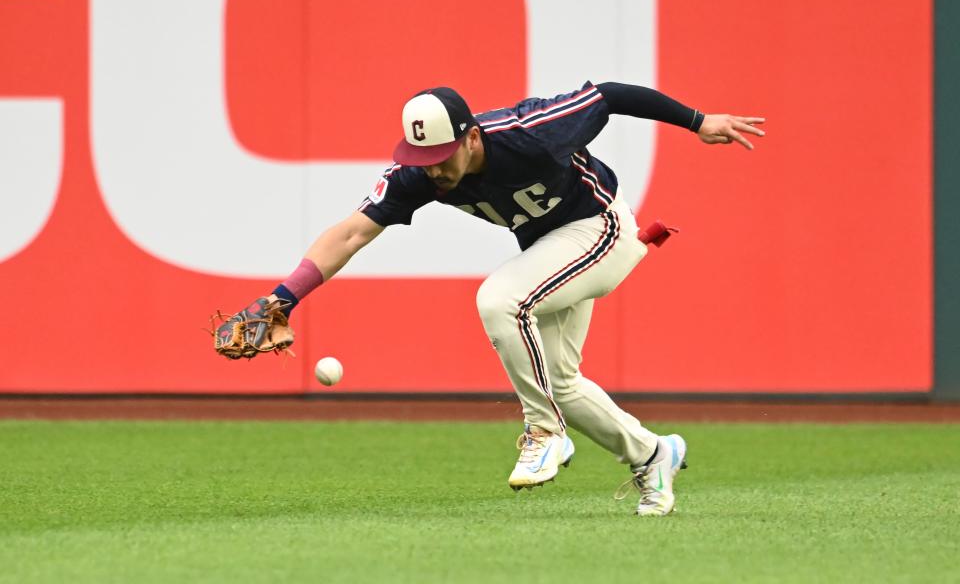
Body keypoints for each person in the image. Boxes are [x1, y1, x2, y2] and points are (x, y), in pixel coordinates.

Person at [224, 81, 764, 516]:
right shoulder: (419, 174)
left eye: (441, 154)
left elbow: (611, 96)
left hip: (600, 229)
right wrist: (281, 298)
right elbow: (350, 233)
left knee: (500, 300)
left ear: (473, 137)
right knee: (561, 381)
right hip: (553, 251)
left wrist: (698, 121)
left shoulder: (529, 131)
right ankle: (653, 453)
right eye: (422, 155)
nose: (433, 168)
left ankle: (543, 430)